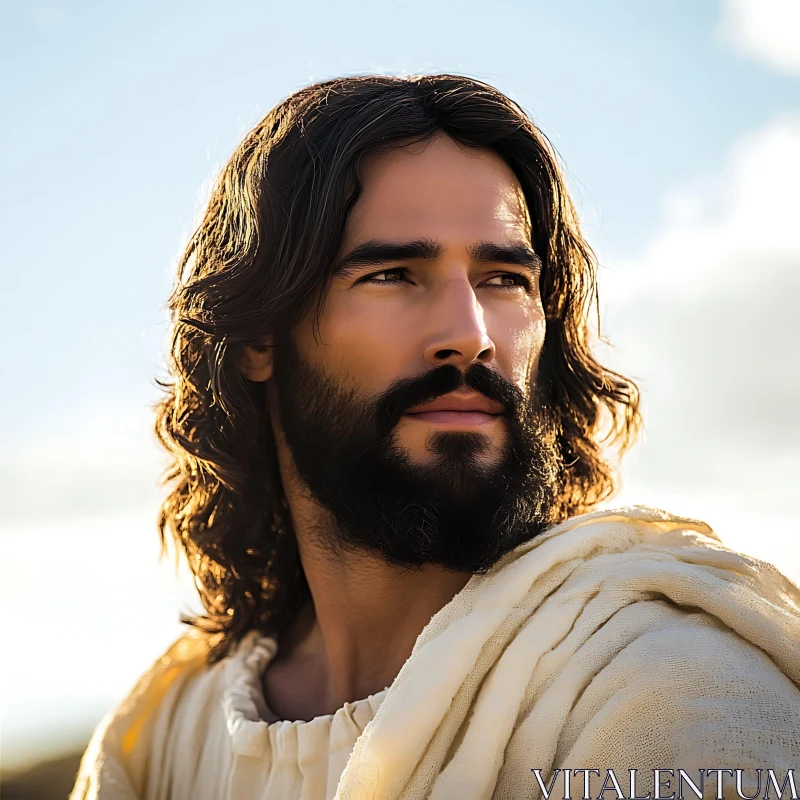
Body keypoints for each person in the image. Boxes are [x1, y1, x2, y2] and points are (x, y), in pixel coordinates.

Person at [71, 74, 800, 800]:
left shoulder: (662, 689)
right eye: (393, 274)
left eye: (504, 279)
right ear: (259, 334)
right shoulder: (167, 734)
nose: (470, 337)